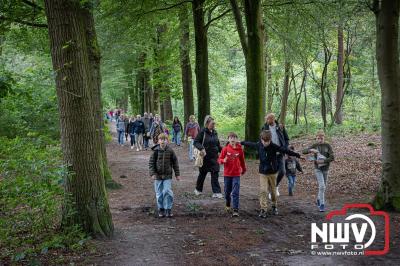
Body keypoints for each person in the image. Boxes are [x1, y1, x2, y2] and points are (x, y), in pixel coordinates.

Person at [241, 130, 300, 218]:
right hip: (263, 172)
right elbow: (250, 143)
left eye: (267, 141)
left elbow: (285, 150)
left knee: (273, 191)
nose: (265, 143)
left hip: (273, 172)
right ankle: (263, 209)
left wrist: (298, 155)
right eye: (264, 141)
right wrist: (241, 142)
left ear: (270, 140)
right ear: (261, 139)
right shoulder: (259, 145)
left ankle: (274, 205)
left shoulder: (274, 146)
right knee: (263, 190)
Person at [149, 133, 180, 218]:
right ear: (158, 141)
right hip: (158, 176)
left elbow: (175, 163)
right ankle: (161, 209)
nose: (162, 141)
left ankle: (168, 209)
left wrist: (177, 174)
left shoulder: (170, 151)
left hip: (167, 175)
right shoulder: (155, 151)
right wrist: (153, 173)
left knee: (167, 191)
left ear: (167, 141)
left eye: (164, 139)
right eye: (161, 139)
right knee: (159, 193)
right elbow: (151, 163)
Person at [302, 130, 334, 212]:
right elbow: (303, 151)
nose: (320, 140)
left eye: (321, 138)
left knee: (323, 187)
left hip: (326, 169)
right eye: (318, 138)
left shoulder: (328, 146)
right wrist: (310, 150)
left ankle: (318, 199)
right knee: (322, 186)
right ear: (316, 138)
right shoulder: (315, 145)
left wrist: (323, 161)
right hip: (318, 169)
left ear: (324, 138)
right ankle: (322, 205)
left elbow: (332, 157)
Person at [193, 115, 223, 199]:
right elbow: (195, 142)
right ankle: (198, 190)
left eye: (214, 123)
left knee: (215, 174)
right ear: (207, 123)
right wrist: (202, 148)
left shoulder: (215, 132)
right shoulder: (202, 132)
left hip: (214, 157)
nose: (214, 125)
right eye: (212, 123)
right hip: (205, 158)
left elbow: (217, 145)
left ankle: (217, 192)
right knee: (202, 174)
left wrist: (224, 150)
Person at [261, 113, 289, 197]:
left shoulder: (280, 127)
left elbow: (286, 139)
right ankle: (271, 190)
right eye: (266, 119)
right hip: (270, 154)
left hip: (280, 153)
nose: (267, 121)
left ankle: (275, 186)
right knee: (270, 173)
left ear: (273, 119)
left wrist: (285, 147)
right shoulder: (264, 128)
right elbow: (261, 140)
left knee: (282, 171)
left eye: (268, 119)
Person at [218, 132, 246, 217]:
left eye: (234, 137)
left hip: (236, 174)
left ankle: (235, 210)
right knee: (227, 192)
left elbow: (242, 160)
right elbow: (219, 160)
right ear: (228, 139)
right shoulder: (225, 149)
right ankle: (228, 204)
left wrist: (244, 169)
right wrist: (223, 161)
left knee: (235, 192)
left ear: (237, 139)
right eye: (231, 137)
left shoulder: (240, 149)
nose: (233, 139)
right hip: (227, 174)